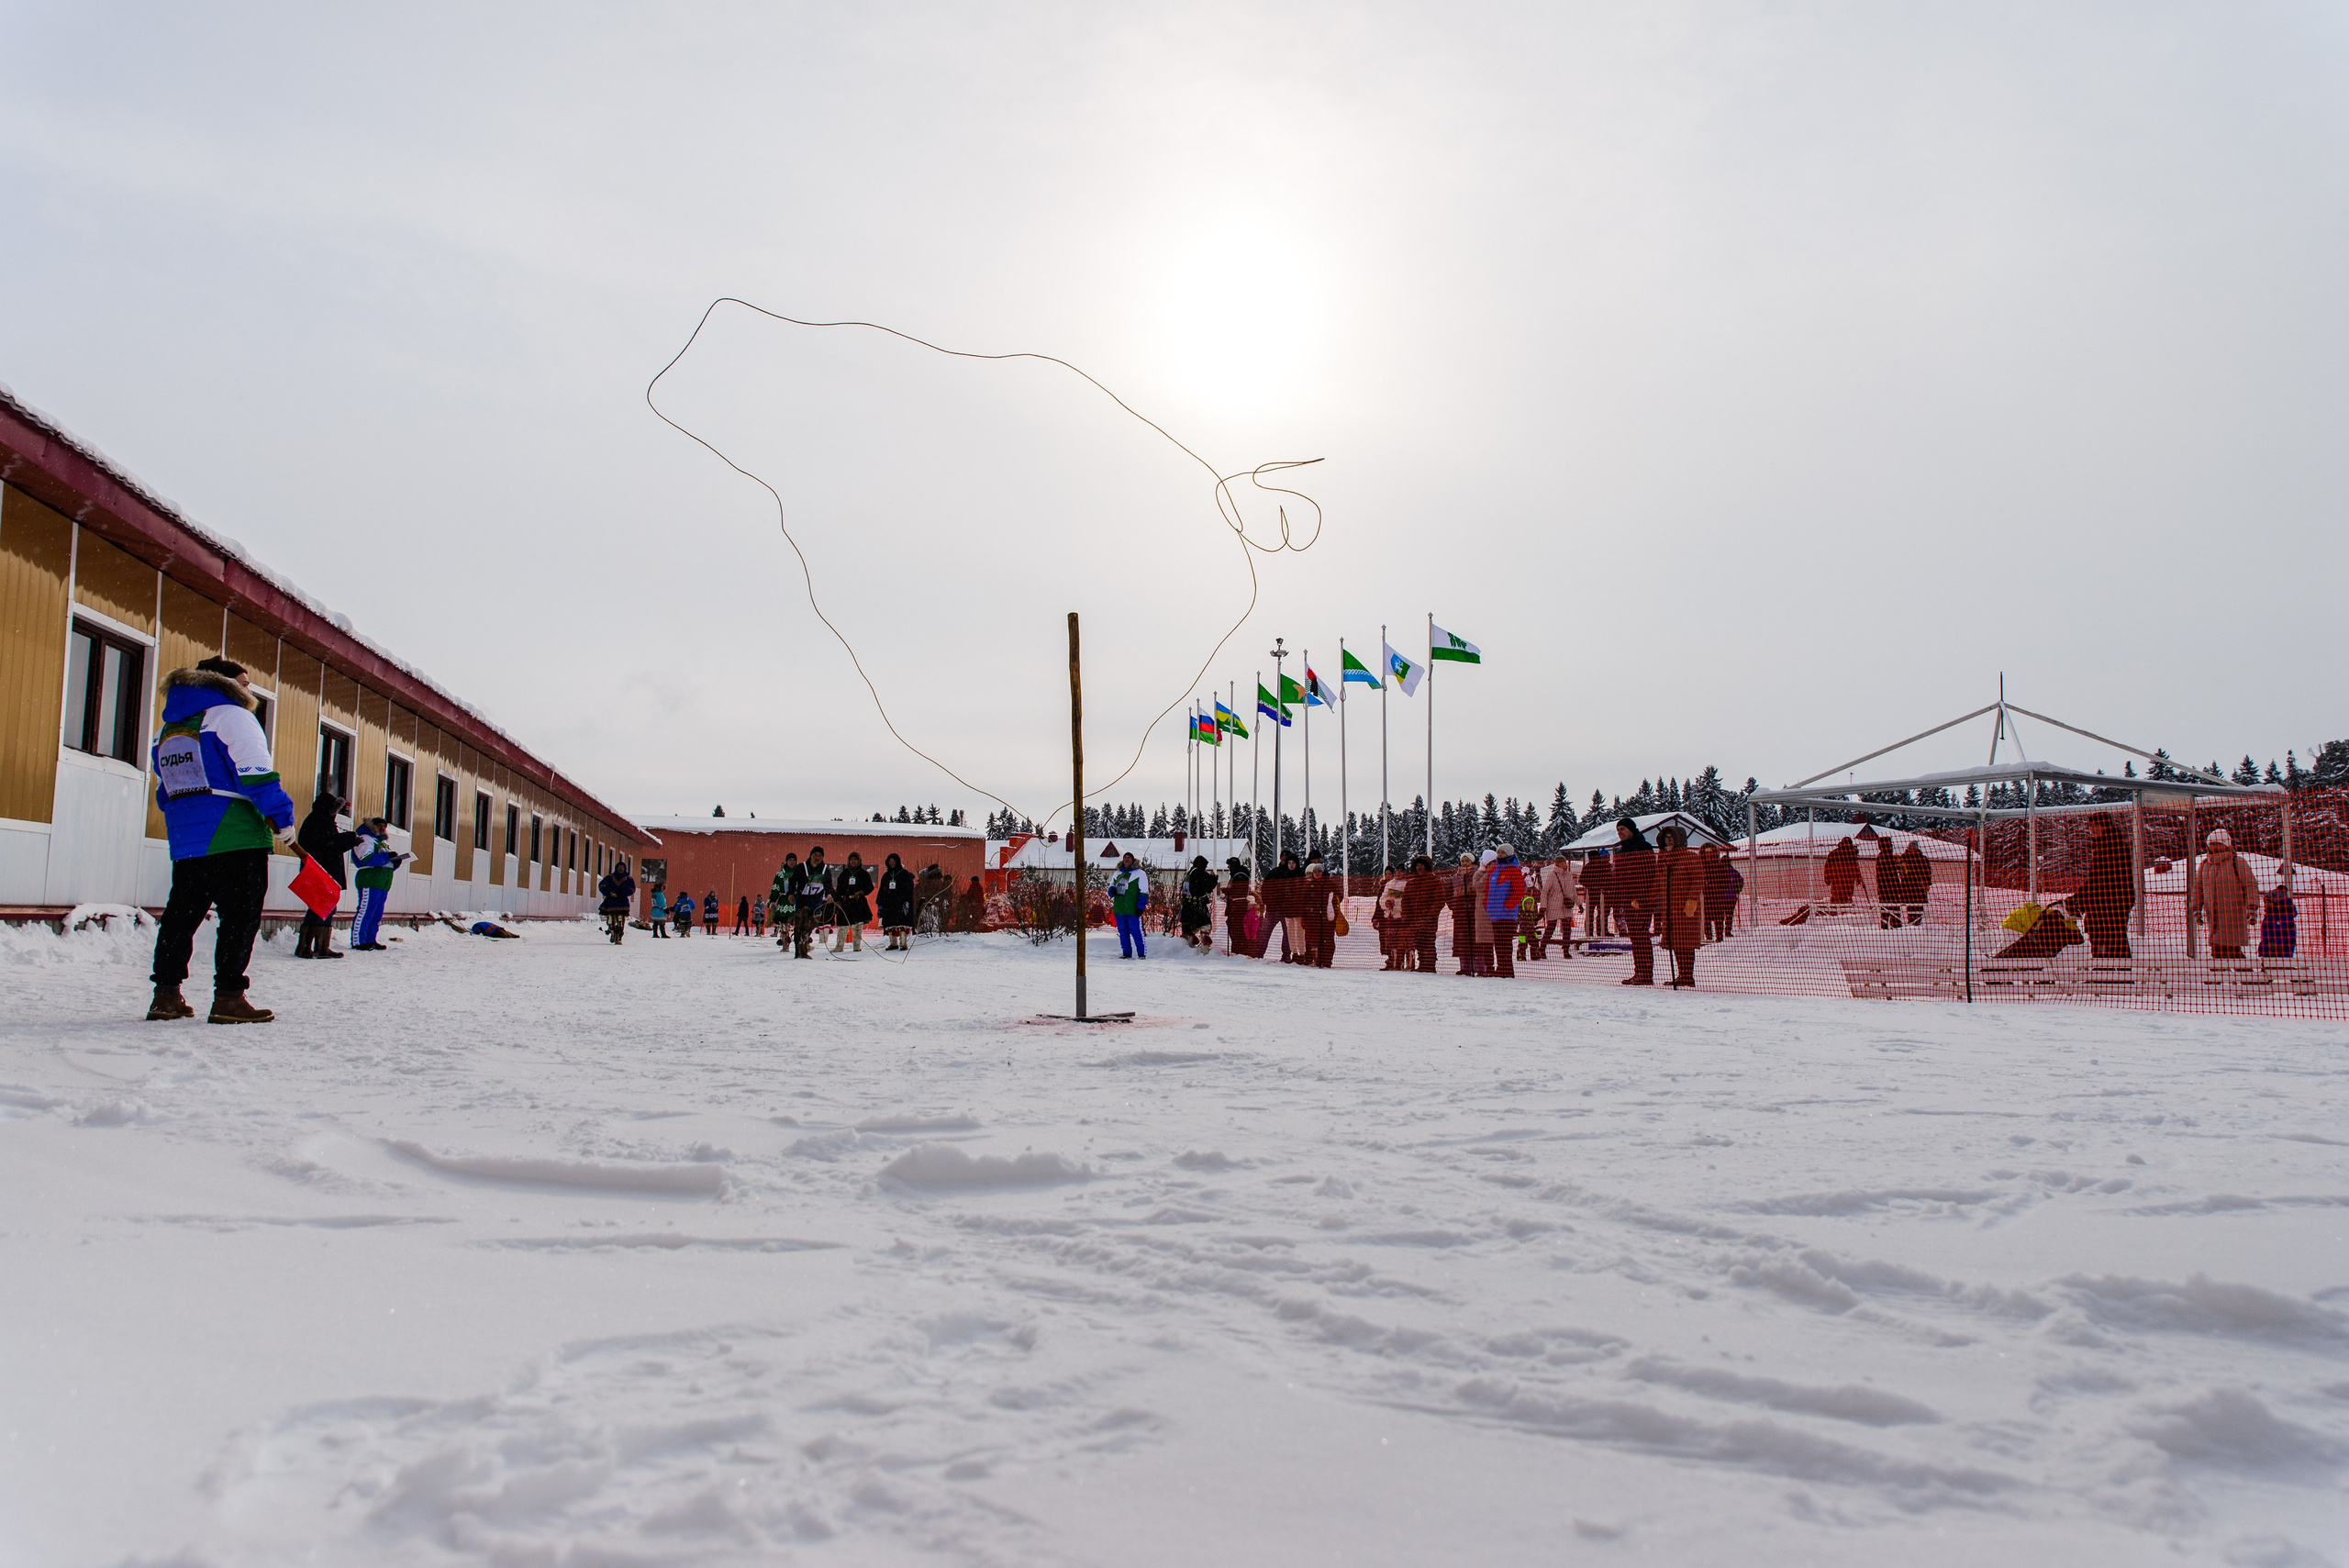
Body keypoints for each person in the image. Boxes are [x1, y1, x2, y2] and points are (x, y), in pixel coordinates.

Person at [146, 657, 298, 1022]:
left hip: (186, 838)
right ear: (222, 683)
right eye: (243, 682)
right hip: (234, 833)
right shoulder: (233, 717)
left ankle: (165, 995)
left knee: (181, 916)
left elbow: (164, 791)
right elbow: (256, 775)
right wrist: (282, 817)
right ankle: (229, 997)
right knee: (239, 917)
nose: (248, 690)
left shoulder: (167, 730)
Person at [293, 791, 359, 959]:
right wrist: (350, 836)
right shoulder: (321, 821)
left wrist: (351, 842)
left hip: (318, 869)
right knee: (325, 906)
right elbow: (329, 844)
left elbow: (329, 845)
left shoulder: (315, 820)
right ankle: (321, 948)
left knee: (316, 907)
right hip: (323, 871)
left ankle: (305, 947)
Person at [2063, 815, 2134, 960]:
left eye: (2096, 826)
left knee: (2109, 939)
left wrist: (2080, 899)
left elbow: (2100, 878)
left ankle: (2109, 975)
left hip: (2110, 903)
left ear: (2105, 826)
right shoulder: (2105, 845)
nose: (2092, 830)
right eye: (2090, 826)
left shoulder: (2111, 846)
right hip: (2108, 902)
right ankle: (2112, 975)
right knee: (2112, 939)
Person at [2188, 828, 2259, 962]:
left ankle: (2247, 981)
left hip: (2234, 917)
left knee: (2232, 952)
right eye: (2212, 844)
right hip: (2213, 918)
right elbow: (2198, 889)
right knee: (2221, 952)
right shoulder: (2204, 865)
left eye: (2218, 844)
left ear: (2226, 844)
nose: (2215, 847)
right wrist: (2196, 909)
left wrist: (2252, 907)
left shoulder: (2237, 862)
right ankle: (2244, 981)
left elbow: (2251, 885)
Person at [1655, 825, 1705, 988]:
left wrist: (1692, 900)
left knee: (1686, 942)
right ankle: (1681, 974)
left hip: (1685, 907)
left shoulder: (1690, 858)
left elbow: (1698, 879)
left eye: (1671, 837)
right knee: (1675, 941)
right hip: (1670, 907)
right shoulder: (1662, 858)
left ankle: (1687, 975)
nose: (1668, 840)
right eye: (1666, 837)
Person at [1611, 818, 1658, 984]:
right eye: (1618, 830)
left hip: (1642, 899)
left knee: (1641, 935)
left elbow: (1650, 875)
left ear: (1632, 829)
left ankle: (1646, 974)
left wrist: (1642, 897)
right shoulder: (1620, 850)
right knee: (1635, 937)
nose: (1620, 833)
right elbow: (1618, 877)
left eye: (1623, 829)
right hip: (1626, 898)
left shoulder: (1643, 847)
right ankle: (1639, 972)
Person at [349, 818, 407, 951]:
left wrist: (394, 863)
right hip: (370, 878)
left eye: (384, 826)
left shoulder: (382, 842)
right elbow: (366, 858)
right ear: (372, 826)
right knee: (365, 910)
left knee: (376, 913)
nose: (381, 828)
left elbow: (384, 862)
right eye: (379, 825)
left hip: (382, 881)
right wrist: (387, 858)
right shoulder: (366, 838)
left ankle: (370, 939)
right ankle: (358, 940)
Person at [1484, 844, 1527, 977]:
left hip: (1507, 915)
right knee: (1498, 943)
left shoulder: (1514, 871)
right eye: (1499, 852)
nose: (1500, 854)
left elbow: (1518, 891)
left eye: (1502, 852)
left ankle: (1507, 969)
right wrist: (1487, 904)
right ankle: (1501, 967)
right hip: (1494, 914)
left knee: (1505, 943)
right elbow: (1487, 890)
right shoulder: (1494, 871)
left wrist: (1509, 905)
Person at [1401, 853, 1444, 973]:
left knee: (1429, 942)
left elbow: (1439, 900)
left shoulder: (1434, 881)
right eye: (1418, 865)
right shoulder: (1411, 883)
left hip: (1428, 920)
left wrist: (1430, 915)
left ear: (1427, 867)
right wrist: (1407, 916)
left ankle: (1429, 965)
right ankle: (1422, 964)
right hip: (1414, 919)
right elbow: (1405, 902)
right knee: (1418, 942)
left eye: (1422, 865)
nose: (1420, 868)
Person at [791, 848, 834, 958]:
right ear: (811, 855)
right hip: (802, 898)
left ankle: (804, 947)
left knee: (810, 925)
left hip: (816, 900)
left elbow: (828, 884)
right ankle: (799, 951)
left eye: (820, 855)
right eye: (815, 855)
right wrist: (790, 894)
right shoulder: (801, 867)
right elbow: (793, 880)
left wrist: (829, 894)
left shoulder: (825, 870)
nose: (817, 858)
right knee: (799, 925)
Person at [1262, 851, 1305, 962]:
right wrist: (1267, 901)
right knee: (1265, 932)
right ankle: (1258, 954)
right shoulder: (1274, 872)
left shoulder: (1295, 873)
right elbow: (1265, 888)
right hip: (1273, 909)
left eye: (1288, 859)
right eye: (1283, 858)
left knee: (1289, 934)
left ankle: (1287, 954)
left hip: (1287, 910)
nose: (1285, 860)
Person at [1108, 851, 1151, 959]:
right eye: (1125, 858)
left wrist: (1140, 907)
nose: (1126, 859)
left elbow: (1144, 892)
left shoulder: (1140, 873)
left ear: (1133, 860)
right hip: (1120, 908)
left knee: (1136, 931)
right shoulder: (1117, 873)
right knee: (1123, 932)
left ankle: (1141, 953)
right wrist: (1111, 890)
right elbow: (1110, 889)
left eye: (1129, 858)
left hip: (1132, 908)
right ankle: (1126, 952)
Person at [1299, 853, 1340, 968]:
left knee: (1327, 941)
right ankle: (1315, 959)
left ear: (1323, 873)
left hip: (1327, 919)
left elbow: (1338, 897)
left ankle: (1327, 961)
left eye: (1319, 872)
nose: (1317, 874)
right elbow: (1303, 902)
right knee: (1313, 940)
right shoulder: (1308, 886)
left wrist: (1332, 906)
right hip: (1312, 919)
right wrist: (1303, 916)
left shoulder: (1330, 884)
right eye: (1315, 872)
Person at [833, 851, 874, 951]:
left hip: (858, 903)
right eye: (851, 860)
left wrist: (861, 892)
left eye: (855, 859)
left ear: (859, 861)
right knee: (843, 926)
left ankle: (857, 947)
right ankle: (839, 946)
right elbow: (838, 889)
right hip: (845, 902)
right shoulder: (844, 874)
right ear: (849, 861)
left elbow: (870, 887)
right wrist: (838, 900)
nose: (853, 861)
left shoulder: (864, 874)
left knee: (857, 926)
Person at [1534, 858, 1575, 959]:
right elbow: (1544, 892)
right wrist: (1543, 907)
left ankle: (1566, 950)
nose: (1564, 864)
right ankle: (1542, 948)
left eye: (1565, 862)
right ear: (1557, 864)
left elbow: (1573, 891)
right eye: (1562, 863)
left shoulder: (1569, 875)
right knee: (1551, 928)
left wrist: (1579, 903)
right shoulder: (1552, 875)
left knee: (1567, 929)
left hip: (1566, 906)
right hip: (1553, 906)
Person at [878, 851, 918, 950]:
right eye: (890, 861)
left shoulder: (904, 874)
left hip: (901, 902)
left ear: (897, 862)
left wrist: (906, 901)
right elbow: (882, 890)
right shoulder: (886, 875)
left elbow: (909, 888)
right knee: (890, 924)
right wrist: (881, 904)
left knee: (902, 924)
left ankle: (903, 943)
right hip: (889, 903)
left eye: (893, 861)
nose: (892, 863)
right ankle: (893, 943)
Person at [1705, 845, 1743, 942]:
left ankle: (1709, 935)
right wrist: (1737, 891)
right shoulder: (1734, 872)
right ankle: (1727, 931)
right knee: (1728, 915)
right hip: (1731, 897)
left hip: (1718, 898)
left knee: (1712, 916)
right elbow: (1740, 882)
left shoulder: (1716, 869)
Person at [1181, 856, 1219, 951]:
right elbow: (1208, 886)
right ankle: (1205, 949)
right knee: (1206, 926)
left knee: (1189, 930)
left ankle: (1187, 950)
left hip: (1186, 906)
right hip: (1197, 906)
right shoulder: (1198, 872)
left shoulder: (1188, 873)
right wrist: (1214, 878)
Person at [1222, 858, 1254, 956]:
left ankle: (1240, 950)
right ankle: (1237, 949)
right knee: (1234, 927)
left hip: (1238, 907)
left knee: (1237, 929)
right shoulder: (1238, 875)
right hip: (1235, 907)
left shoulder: (1240, 876)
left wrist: (1227, 892)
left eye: (1229, 865)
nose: (1228, 867)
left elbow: (1239, 892)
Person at [598, 860, 637, 943]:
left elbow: (632, 888)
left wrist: (624, 892)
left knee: (621, 918)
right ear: (616, 868)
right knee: (610, 916)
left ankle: (619, 933)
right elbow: (602, 885)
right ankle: (611, 929)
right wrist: (608, 893)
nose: (621, 869)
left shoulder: (628, 878)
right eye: (619, 867)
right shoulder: (610, 877)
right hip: (611, 901)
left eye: (622, 867)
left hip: (622, 901)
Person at [770, 854, 800, 948]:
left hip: (797, 900)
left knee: (800, 923)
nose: (792, 862)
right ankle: (785, 944)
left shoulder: (799, 873)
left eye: (794, 860)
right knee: (784, 924)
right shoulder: (780, 874)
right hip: (784, 901)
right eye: (790, 860)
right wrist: (772, 899)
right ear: (786, 861)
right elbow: (776, 887)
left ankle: (801, 944)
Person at [1898, 840, 1929, 927]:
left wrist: (1926, 883)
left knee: (1918, 909)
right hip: (1907, 887)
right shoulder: (1903, 858)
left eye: (1913, 847)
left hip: (1919, 889)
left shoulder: (1922, 859)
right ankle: (1911, 924)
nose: (1912, 849)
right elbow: (1900, 871)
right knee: (1910, 908)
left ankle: (1917, 924)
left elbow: (1927, 873)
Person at [1823, 835, 1861, 906]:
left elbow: (1827, 867)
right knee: (1839, 897)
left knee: (1841, 896)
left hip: (1841, 879)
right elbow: (1828, 867)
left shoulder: (1850, 854)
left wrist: (1827, 878)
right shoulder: (1849, 854)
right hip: (1841, 879)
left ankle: (1840, 912)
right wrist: (1858, 878)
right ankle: (1837, 912)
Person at [1874, 837, 1902, 929]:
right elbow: (1891, 872)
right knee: (1892, 911)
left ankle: (1886, 927)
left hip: (1884, 889)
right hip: (1890, 889)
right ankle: (1894, 928)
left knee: (1886, 911)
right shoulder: (1886, 857)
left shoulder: (1881, 857)